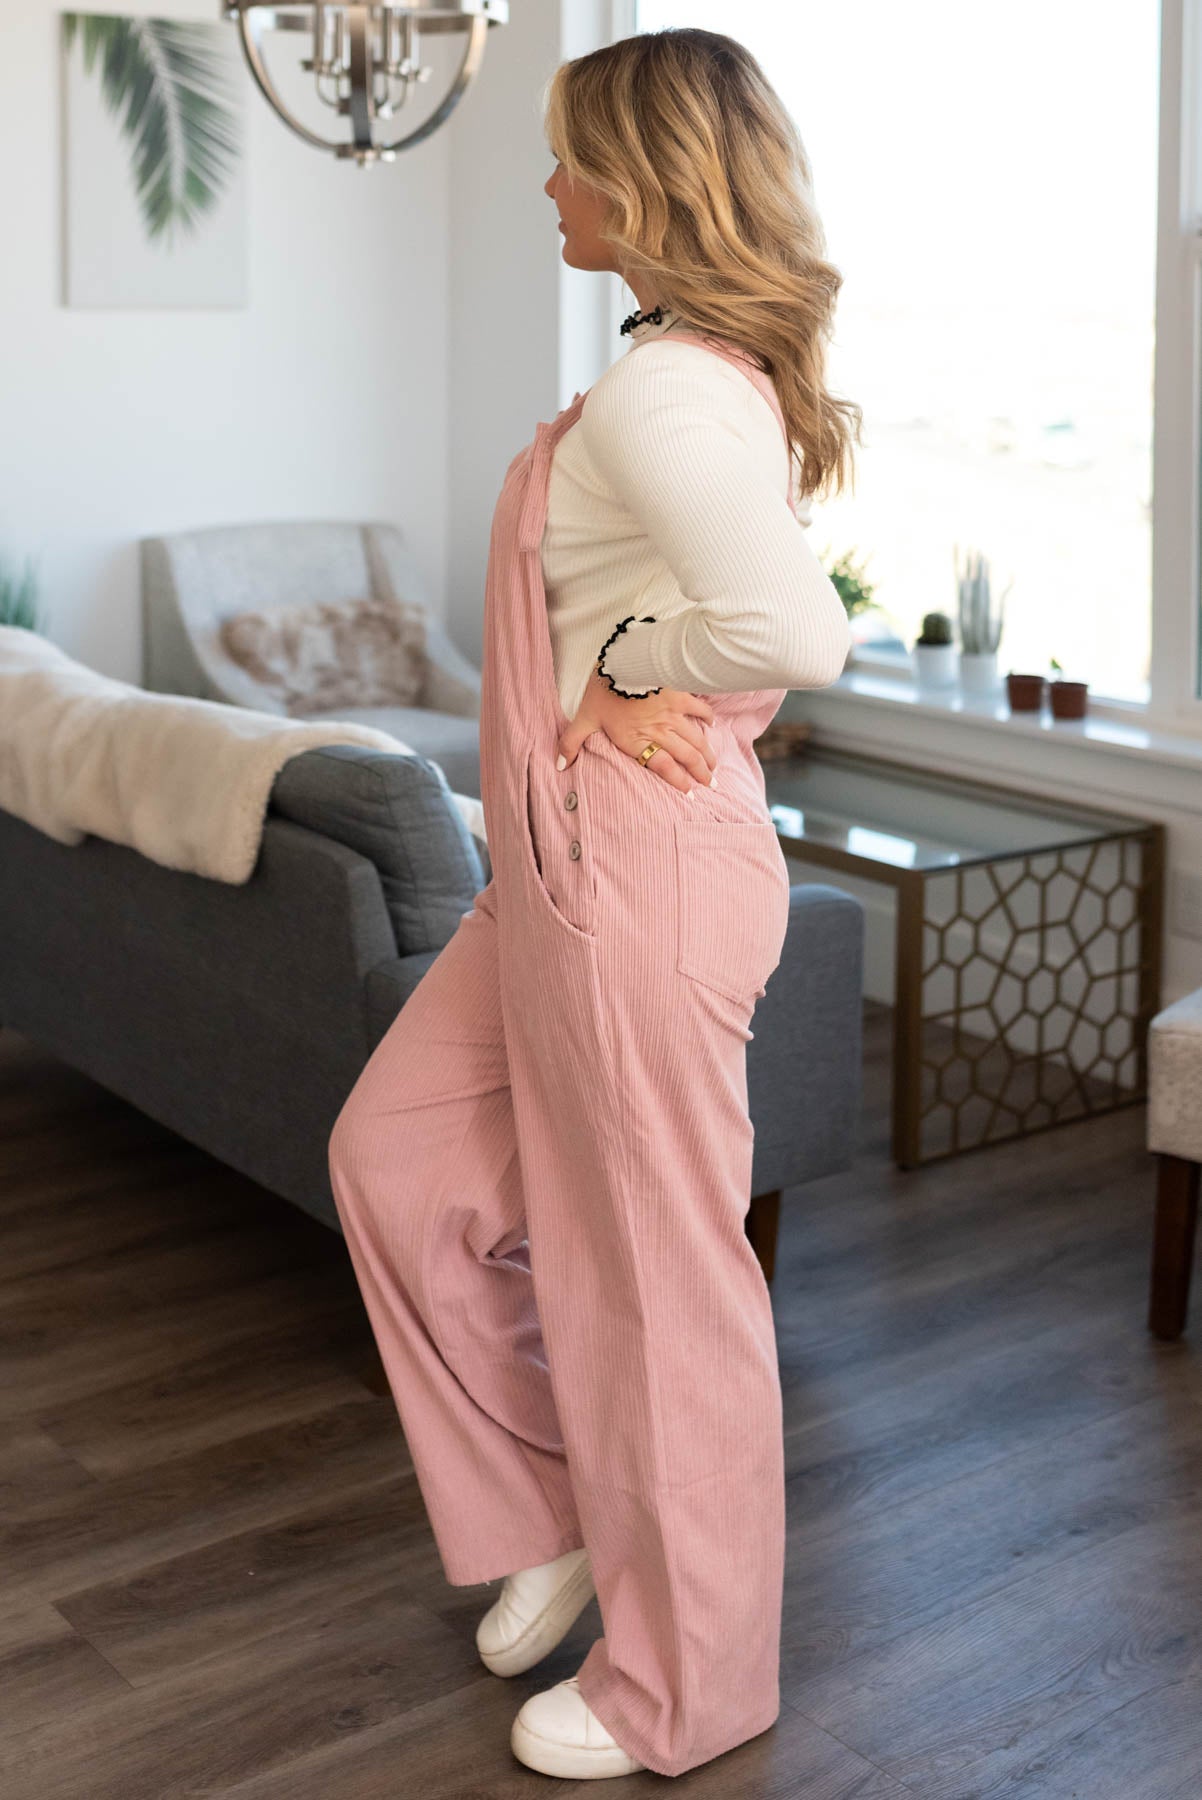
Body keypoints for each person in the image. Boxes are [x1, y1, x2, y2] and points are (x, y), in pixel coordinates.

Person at [327, 24, 861, 1782]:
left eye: (566, 157)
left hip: (637, 871)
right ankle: (555, 1514)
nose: (548, 185)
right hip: (560, 863)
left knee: (650, 1288)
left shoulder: (665, 390)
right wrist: (632, 653)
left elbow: (796, 632)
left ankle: (682, 1689)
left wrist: (636, 652)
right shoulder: (667, 370)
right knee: (396, 1160)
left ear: (638, 182)